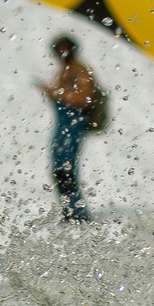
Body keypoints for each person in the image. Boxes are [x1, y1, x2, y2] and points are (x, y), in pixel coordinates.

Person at [39, 34, 101, 223]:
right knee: (59, 170)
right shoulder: (66, 71)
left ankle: (77, 213)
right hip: (63, 126)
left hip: (72, 126)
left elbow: (84, 98)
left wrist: (58, 93)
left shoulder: (79, 71)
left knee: (65, 171)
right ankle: (70, 210)